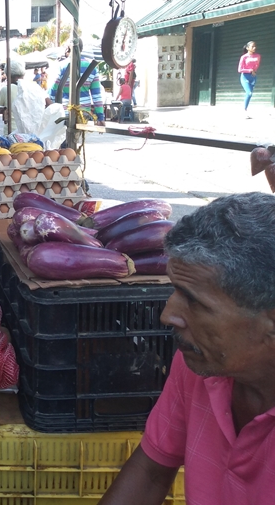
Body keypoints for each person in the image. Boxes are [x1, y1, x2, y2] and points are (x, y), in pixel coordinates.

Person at [99, 193, 275, 505]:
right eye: (175, 291)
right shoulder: (202, 363)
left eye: (194, 301)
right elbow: (151, 471)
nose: (168, 315)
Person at [46, 39, 105, 126]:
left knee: (63, 138)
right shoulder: (92, 68)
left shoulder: (61, 66)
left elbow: (53, 90)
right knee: (78, 138)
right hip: (84, 113)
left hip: (65, 112)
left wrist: (51, 106)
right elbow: (96, 95)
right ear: (81, 49)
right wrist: (100, 117)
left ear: (68, 49)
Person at [238, 41, 260, 118]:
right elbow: (240, 69)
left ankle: (245, 107)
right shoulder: (244, 57)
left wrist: (254, 71)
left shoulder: (258, 56)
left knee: (250, 94)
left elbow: (257, 66)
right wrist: (250, 70)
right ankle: (244, 110)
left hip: (253, 77)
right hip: (245, 77)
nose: (254, 48)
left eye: (255, 46)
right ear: (247, 48)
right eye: (252, 46)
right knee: (249, 93)